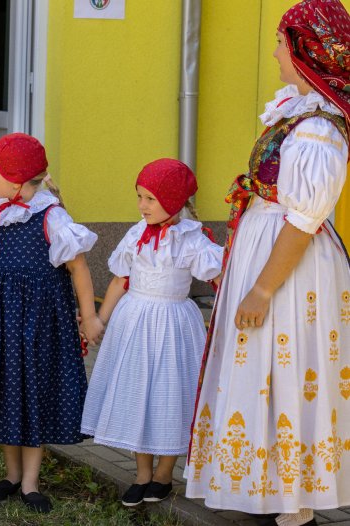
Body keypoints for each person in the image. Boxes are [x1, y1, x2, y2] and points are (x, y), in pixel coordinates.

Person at [185, 2, 350, 524]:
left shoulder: (320, 130)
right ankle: (271, 489)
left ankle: (296, 504)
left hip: (290, 267)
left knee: (287, 364)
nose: (275, 50)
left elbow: (303, 220)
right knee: (267, 368)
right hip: (269, 246)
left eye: (282, 41)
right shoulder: (297, 111)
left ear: (303, 53)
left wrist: (261, 289)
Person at [0, 133, 102, 513]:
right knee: (6, 389)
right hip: (1, 320)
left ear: (18, 182)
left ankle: (31, 482)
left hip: (40, 324)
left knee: (33, 392)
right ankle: (11, 474)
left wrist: (88, 317)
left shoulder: (52, 217)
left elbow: (79, 268)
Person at [80, 159, 222, 507]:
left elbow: (219, 279)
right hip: (134, 322)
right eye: (140, 196)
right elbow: (119, 279)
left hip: (174, 323)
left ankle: (164, 474)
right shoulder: (135, 234)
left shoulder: (192, 239)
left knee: (170, 394)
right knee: (137, 392)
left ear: (174, 202)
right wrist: (99, 318)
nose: (142, 205)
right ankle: (142, 473)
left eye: (150, 199)